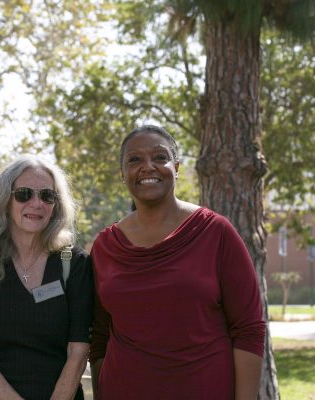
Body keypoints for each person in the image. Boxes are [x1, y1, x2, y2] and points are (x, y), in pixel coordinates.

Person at [89, 125, 266, 400]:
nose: (147, 167)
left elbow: (249, 329)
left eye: (160, 157)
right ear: (123, 175)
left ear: (177, 167)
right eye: (134, 160)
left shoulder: (215, 232)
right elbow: (99, 337)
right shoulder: (105, 247)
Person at [0, 155, 93, 400]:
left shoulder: (74, 263)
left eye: (47, 196)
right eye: (24, 194)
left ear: (56, 205)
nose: (37, 203)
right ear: (5, 200)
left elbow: (79, 351)